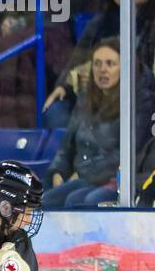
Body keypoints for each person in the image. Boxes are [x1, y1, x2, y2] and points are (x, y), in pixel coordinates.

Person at [44, 38, 121, 208]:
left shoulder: (131, 103)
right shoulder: (85, 99)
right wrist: (58, 172)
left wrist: (84, 172)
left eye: (110, 64)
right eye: (97, 64)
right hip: (84, 177)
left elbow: (124, 155)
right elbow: (67, 146)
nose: (103, 70)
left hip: (111, 180)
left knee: (76, 201)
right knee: (46, 201)